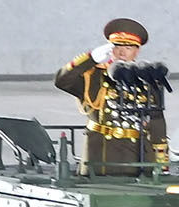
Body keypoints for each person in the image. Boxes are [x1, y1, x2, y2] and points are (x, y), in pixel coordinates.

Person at [53, 17, 172, 167]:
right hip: (101, 154)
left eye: (128, 48)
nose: (122, 52)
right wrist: (91, 59)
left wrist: (161, 160)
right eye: (117, 47)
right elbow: (62, 81)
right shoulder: (94, 75)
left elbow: (156, 119)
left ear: (137, 51)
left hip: (137, 154)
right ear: (109, 49)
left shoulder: (146, 78)